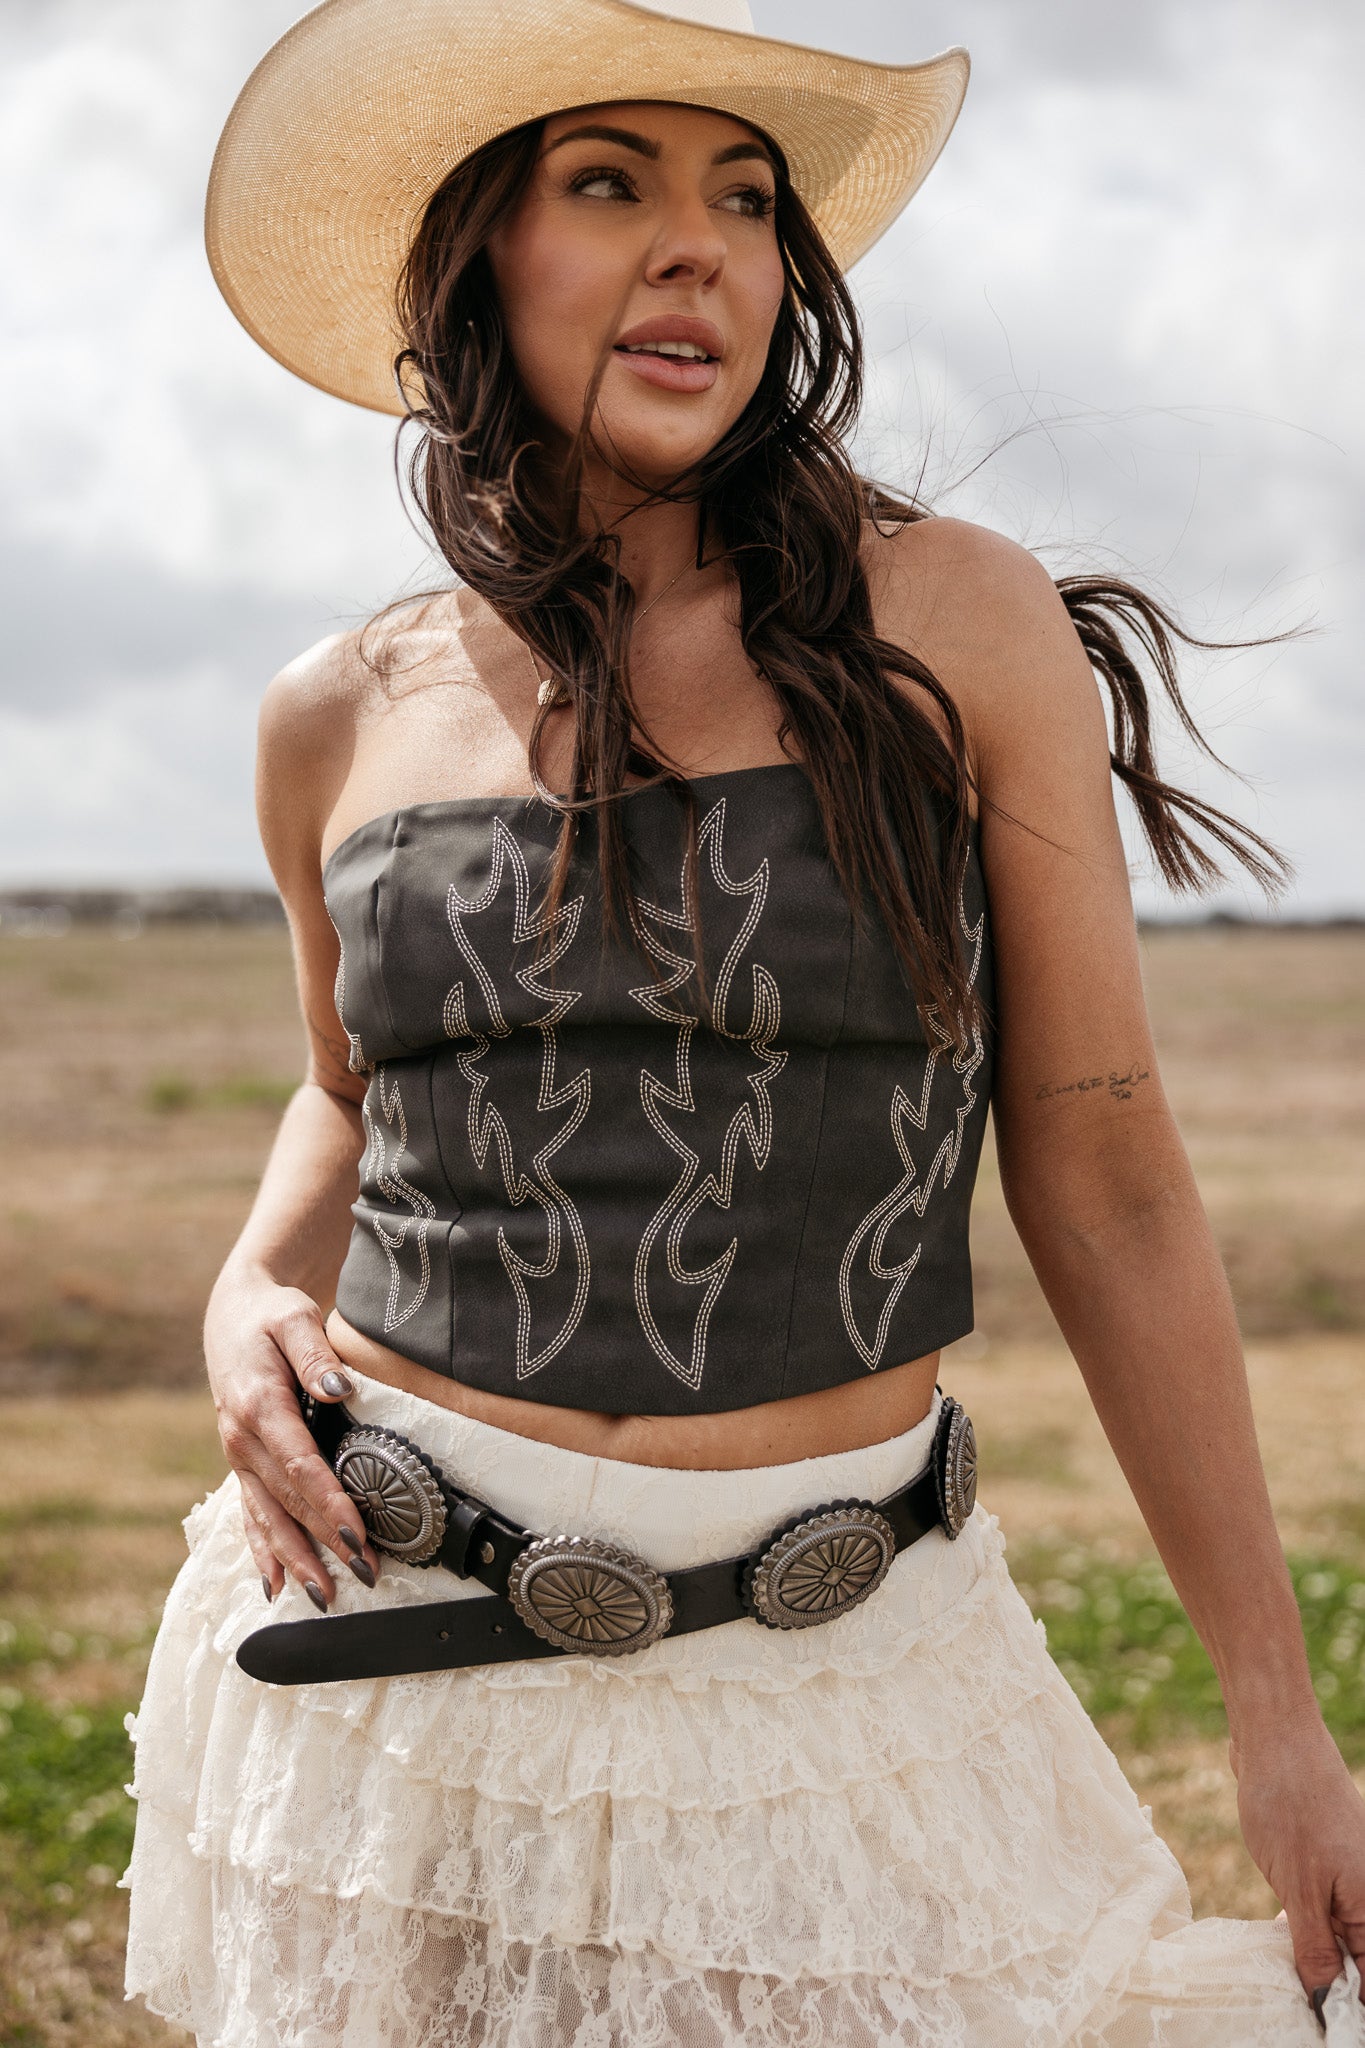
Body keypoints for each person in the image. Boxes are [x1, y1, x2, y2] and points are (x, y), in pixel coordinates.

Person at [123, 1, 1365, 2041]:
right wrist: (250, 1279)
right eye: (606, 184)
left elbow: (1107, 1163)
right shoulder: (329, 712)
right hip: (388, 1640)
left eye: (745, 199)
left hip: (841, 1655)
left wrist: (1275, 1714)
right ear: (473, 260)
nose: (698, 247)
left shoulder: (948, 622)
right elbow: (348, 1091)